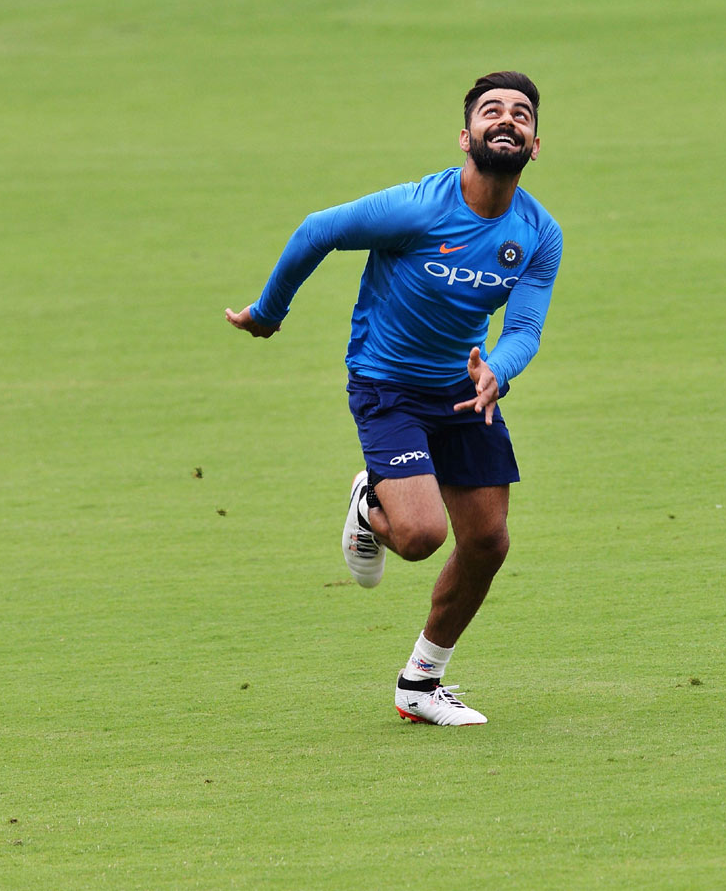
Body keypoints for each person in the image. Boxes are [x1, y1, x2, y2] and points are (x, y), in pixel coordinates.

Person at [225, 72, 562, 727]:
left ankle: (421, 684)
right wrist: (270, 312)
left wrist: (495, 370)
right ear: (466, 137)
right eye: (491, 111)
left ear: (534, 144)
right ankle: (369, 498)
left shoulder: (539, 233)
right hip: (389, 386)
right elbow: (317, 228)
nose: (506, 119)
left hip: (465, 390)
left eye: (520, 114)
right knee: (419, 538)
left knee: (488, 542)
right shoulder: (419, 208)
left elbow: (523, 330)